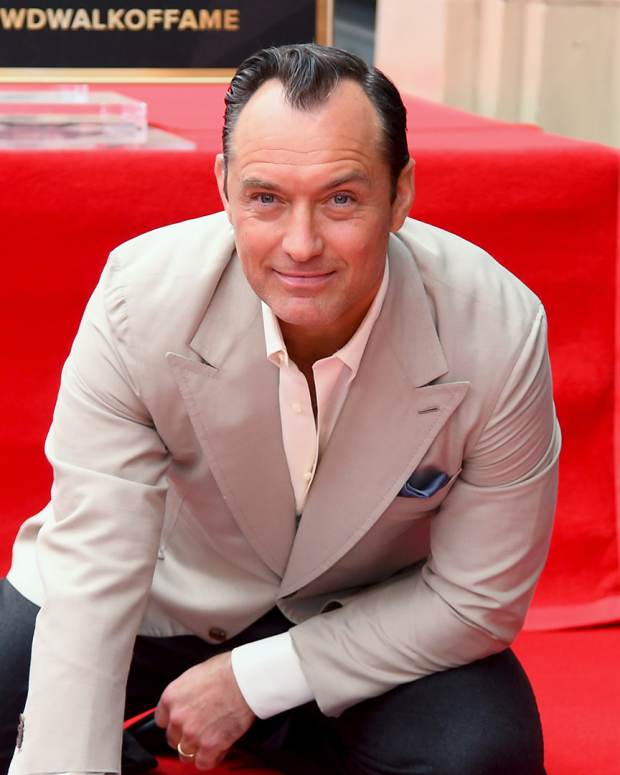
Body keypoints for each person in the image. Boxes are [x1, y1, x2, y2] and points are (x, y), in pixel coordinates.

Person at [1, 44, 560, 775]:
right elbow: (96, 558)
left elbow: (477, 598)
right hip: (166, 589)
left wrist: (252, 681)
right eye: (266, 198)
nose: (301, 245)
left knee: (479, 756)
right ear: (224, 187)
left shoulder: (498, 328)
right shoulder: (139, 300)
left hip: (364, 614)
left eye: (341, 199)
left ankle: (280, 722)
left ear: (401, 195)